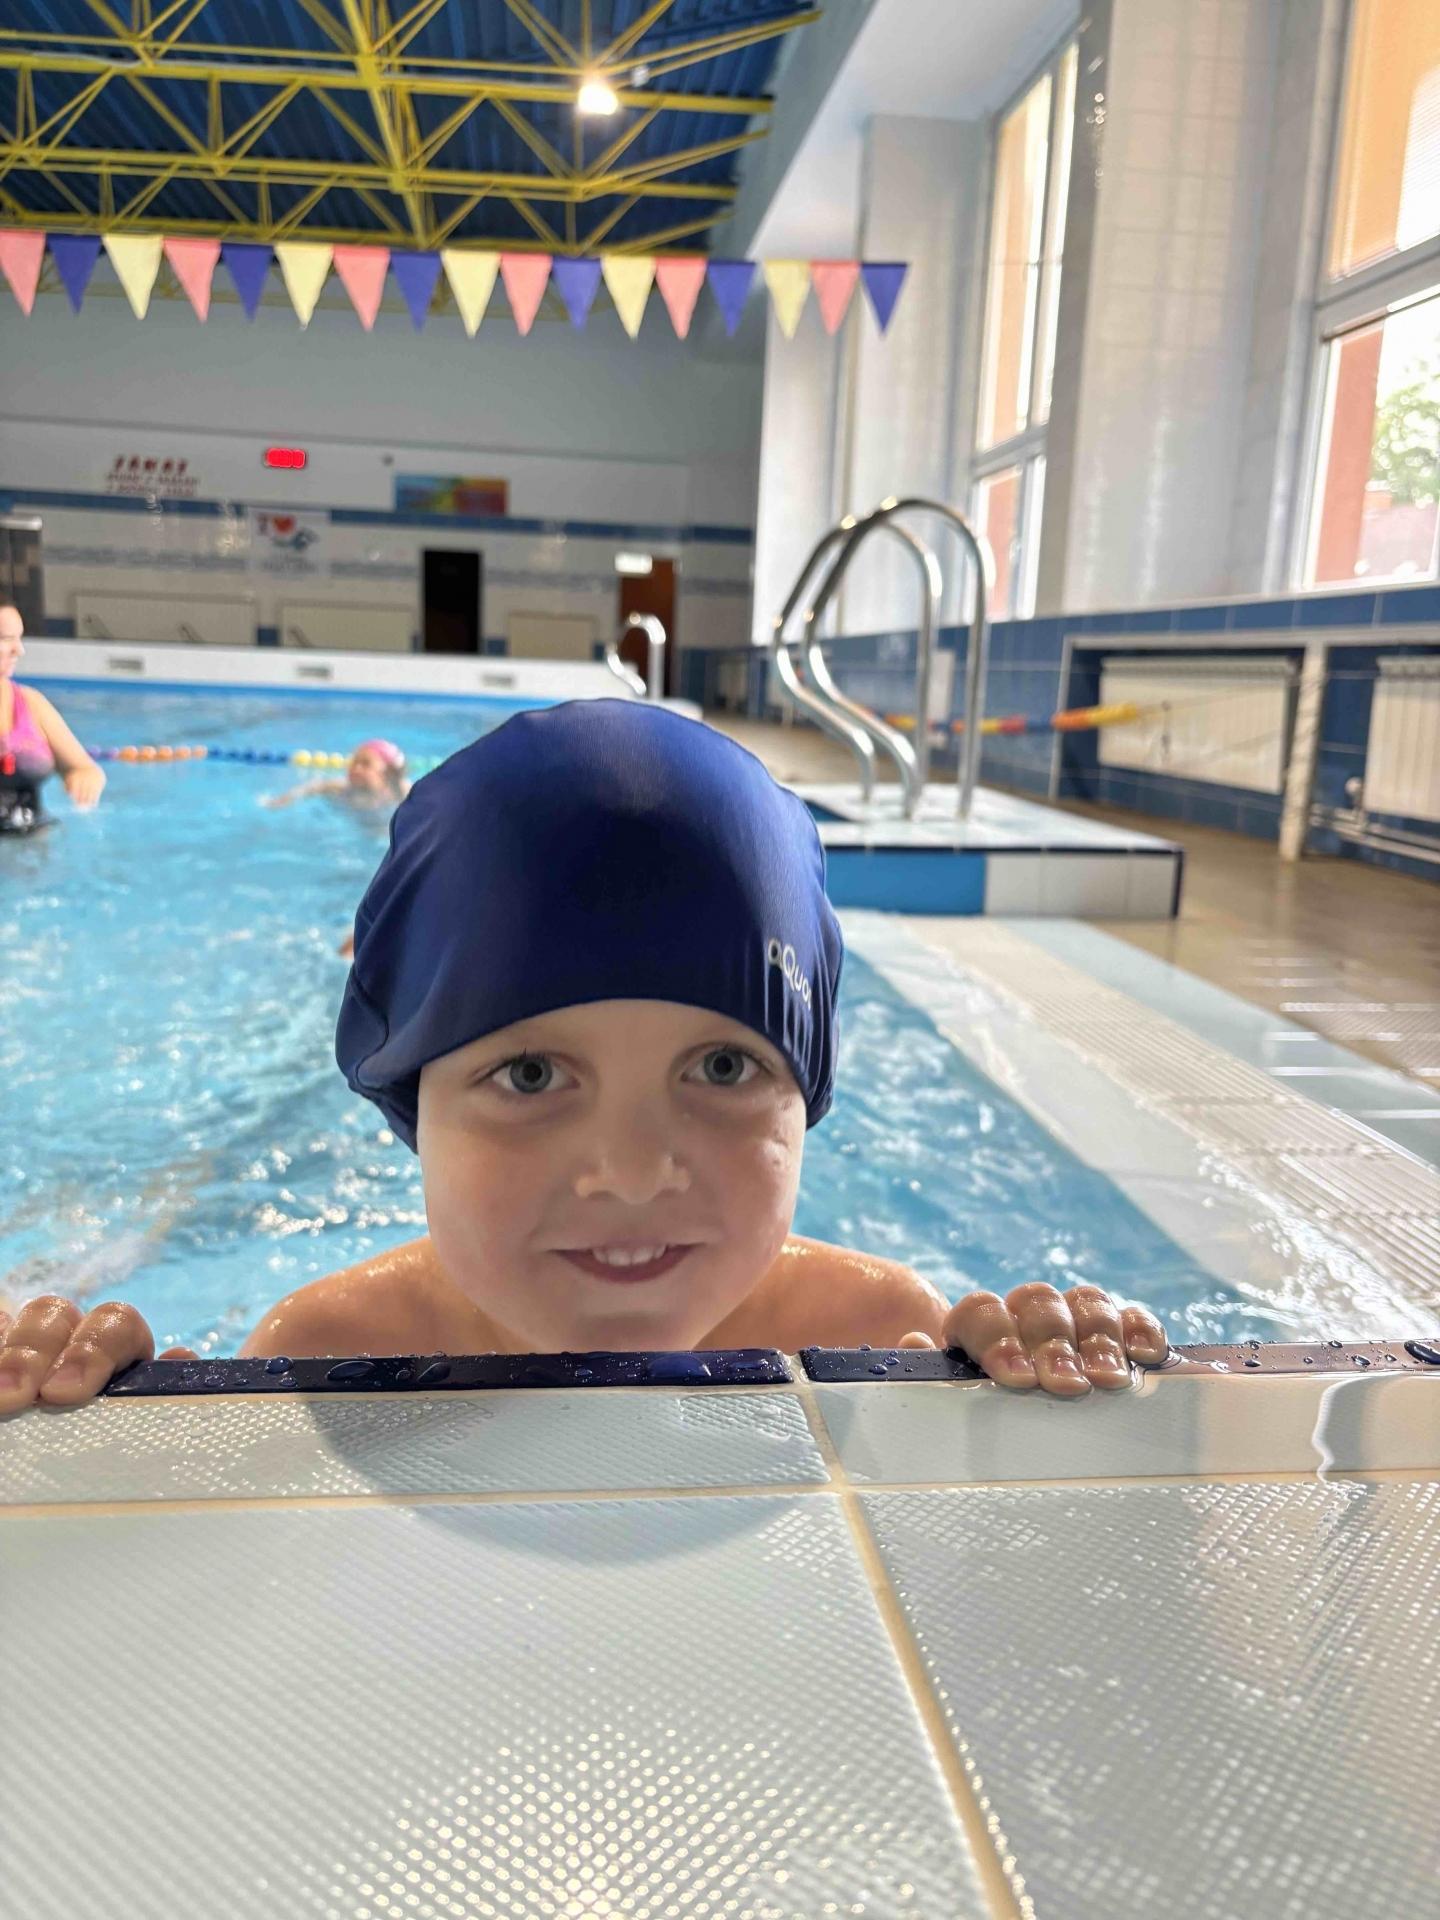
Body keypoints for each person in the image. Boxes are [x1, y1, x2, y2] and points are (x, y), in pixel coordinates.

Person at [0, 702, 1169, 1414]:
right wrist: (105, 1413)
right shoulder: (324, 1361)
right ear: (411, 1103)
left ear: (807, 1093)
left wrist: (1044, 1371)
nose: (634, 1171)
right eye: (530, 1076)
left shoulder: (878, 1331)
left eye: (722, 1068)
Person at [0, 600, 106, 831]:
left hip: (33, 842)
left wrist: (82, 778)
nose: (19, 650)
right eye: (6, 639)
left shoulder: (30, 703)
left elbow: (84, 768)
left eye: (19, 638)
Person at [262, 738, 410, 811]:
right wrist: (282, 801)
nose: (356, 768)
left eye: (365, 764)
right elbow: (313, 788)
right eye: (354, 762)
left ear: (387, 772)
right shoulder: (341, 788)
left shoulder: (401, 791)